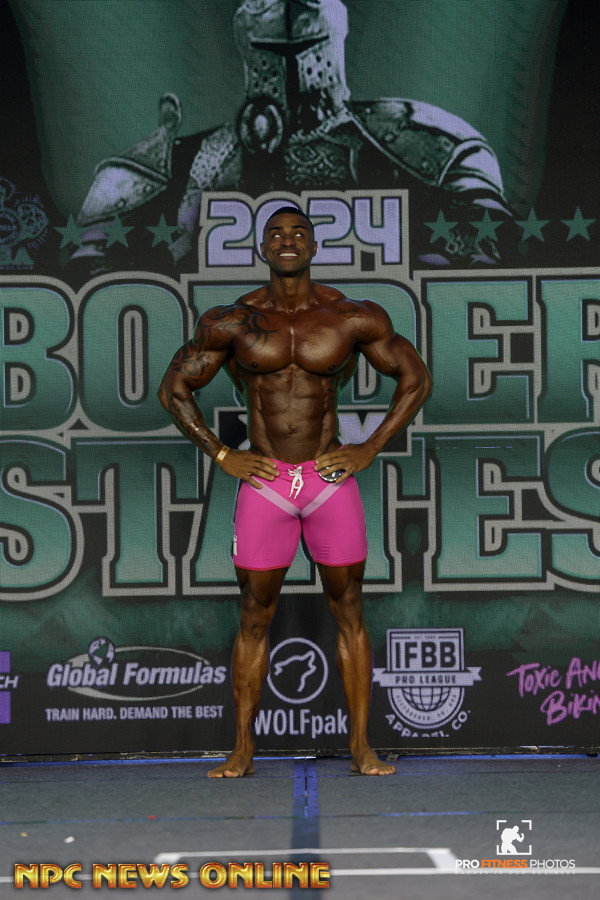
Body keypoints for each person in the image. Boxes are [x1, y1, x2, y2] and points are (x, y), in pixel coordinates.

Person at [158, 206, 432, 777]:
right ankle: (242, 749)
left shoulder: (350, 315)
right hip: (267, 483)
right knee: (254, 614)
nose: (288, 241)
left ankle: (361, 747)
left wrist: (369, 447)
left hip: (329, 481)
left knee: (350, 608)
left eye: (298, 232)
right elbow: (174, 388)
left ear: (313, 246)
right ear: (262, 248)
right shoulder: (234, 321)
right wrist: (223, 453)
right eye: (277, 234)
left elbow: (415, 378)